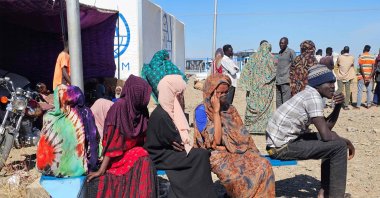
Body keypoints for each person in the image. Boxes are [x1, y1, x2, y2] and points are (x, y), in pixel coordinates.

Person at [266, 65, 355, 197]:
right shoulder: (312, 98)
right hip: (280, 148)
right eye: (329, 82)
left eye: (333, 82)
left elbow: (327, 129)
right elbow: (326, 135)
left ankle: (325, 193)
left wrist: (337, 107)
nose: (333, 86)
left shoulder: (310, 94)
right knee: (339, 146)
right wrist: (346, 142)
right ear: (317, 85)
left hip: (283, 142)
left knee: (333, 140)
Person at [194, 74, 275, 197]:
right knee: (239, 176)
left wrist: (229, 147)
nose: (223, 96)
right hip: (215, 154)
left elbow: (242, 137)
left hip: (236, 150)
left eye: (226, 92)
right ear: (210, 92)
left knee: (264, 164)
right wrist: (216, 112)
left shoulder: (230, 109)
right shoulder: (201, 111)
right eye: (219, 93)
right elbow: (214, 142)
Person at [144, 75, 217, 198]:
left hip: (167, 151)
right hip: (159, 155)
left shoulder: (167, 111)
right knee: (200, 156)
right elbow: (178, 142)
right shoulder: (162, 115)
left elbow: (178, 141)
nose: (182, 97)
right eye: (180, 94)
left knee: (200, 155)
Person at [86, 75, 157, 198]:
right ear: (135, 92)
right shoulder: (119, 107)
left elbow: (144, 139)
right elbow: (113, 141)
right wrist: (102, 169)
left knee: (145, 160)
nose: (146, 98)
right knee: (143, 161)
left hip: (134, 153)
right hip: (116, 157)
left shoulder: (140, 109)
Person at [36, 85, 99, 177]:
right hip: (77, 168)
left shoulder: (49, 116)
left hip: (48, 169)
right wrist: (93, 165)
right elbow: (92, 141)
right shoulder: (84, 112)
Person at [240, 41, 276, 134]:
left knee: (253, 105)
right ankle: (263, 128)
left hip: (254, 89)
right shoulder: (271, 58)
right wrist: (267, 81)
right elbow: (275, 71)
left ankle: (250, 127)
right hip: (266, 90)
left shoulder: (253, 57)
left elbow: (245, 71)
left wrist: (247, 85)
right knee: (266, 106)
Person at [276, 37, 296, 107]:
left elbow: (295, 65)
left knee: (286, 102)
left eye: (282, 43)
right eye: (280, 43)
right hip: (278, 80)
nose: (280, 44)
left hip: (285, 80)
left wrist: (292, 79)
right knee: (278, 102)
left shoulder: (291, 52)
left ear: (287, 43)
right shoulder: (280, 53)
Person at [354, 45, 376, 109]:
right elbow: (373, 68)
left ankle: (358, 106)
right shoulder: (372, 57)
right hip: (370, 77)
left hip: (361, 77)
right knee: (369, 91)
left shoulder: (361, 56)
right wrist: (369, 77)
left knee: (360, 91)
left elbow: (361, 68)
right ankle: (368, 105)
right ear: (369, 50)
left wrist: (364, 77)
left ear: (364, 49)